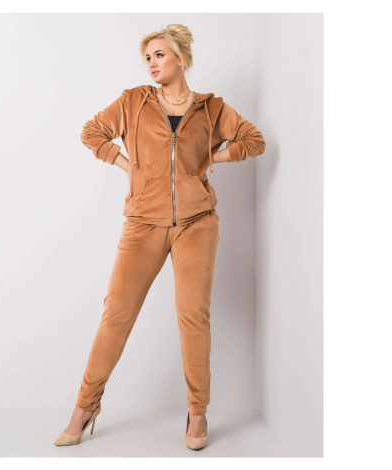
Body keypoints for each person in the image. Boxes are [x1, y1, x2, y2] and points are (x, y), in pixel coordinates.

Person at [54, 23, 266, 450]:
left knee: (193, 315)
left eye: (159, 55)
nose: (151, 63)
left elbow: (254, 140)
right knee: (117, 314)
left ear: (180, 59)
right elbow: (92, 132)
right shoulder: (133, 101)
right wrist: (127, 165)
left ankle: (197, 412)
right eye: (147, 57)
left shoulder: (211, 109)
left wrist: (212, 159)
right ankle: (84, 407)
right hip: (142, 223)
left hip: (196, 223)